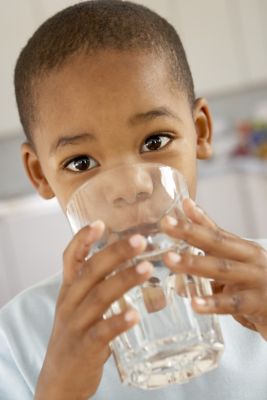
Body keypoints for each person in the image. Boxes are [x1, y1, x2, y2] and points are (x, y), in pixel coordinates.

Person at [1, 1, 267, 399]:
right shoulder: (16, 339)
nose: (129, 187)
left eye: (154, 141)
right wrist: (58, 390)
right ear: (41, 174)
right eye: (81, 162)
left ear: (200, 132)